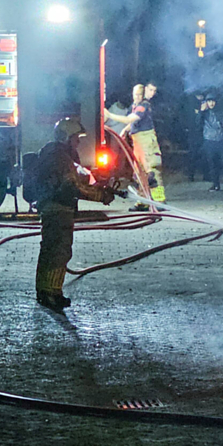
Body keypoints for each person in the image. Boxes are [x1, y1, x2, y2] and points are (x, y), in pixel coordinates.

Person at [34, 117, 114, 310]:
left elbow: (76, 177)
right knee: (59, 251)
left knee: (50, 250)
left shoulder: (56, 153)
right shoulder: (60, 157)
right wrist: (100, 196)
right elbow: (71, 186)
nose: (78, 142)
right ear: (66, 137)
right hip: (58, 208)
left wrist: (95, 182)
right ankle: (52, 293)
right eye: (76, 138)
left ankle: (47, 291)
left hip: (53, 206)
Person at [105, 83, 165, 208]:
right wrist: (125, 130)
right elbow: (131, 122)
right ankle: (143, 201)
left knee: (151, 170)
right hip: (137, 141)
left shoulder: (143, 105)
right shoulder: (134, 105)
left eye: (138, 95)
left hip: (146, 141)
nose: (136, 97)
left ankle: (159, 200)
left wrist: (110, 115)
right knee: (139, 172)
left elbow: (130, 119)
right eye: (134, 95)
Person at [199, 94, 223, 193]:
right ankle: (215, 185)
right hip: (209, 140)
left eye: (213, 101)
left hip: (222, 140)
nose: (211, 103)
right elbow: (197, 124)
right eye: (209, 101)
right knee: (212, 164)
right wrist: (201, 112)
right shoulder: (204, 113)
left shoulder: (221, 112)